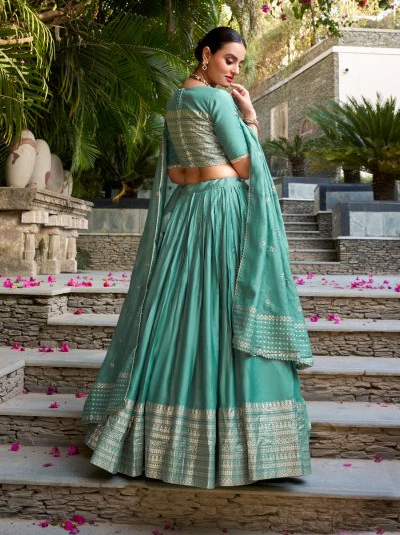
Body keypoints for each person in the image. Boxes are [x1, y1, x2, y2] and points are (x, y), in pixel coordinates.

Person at [82, 26, 313, 489]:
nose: (235, 70)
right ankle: (243, 445)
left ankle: (152, 434)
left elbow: (173, 172)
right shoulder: (218, 102)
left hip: (185, 212)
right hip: (221, 210)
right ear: (206, 55)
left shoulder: (175, 102)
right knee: (224, 310)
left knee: (177, 312)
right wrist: (251, 119)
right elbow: (247, 166)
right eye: (229, 59)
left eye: (239, 63)